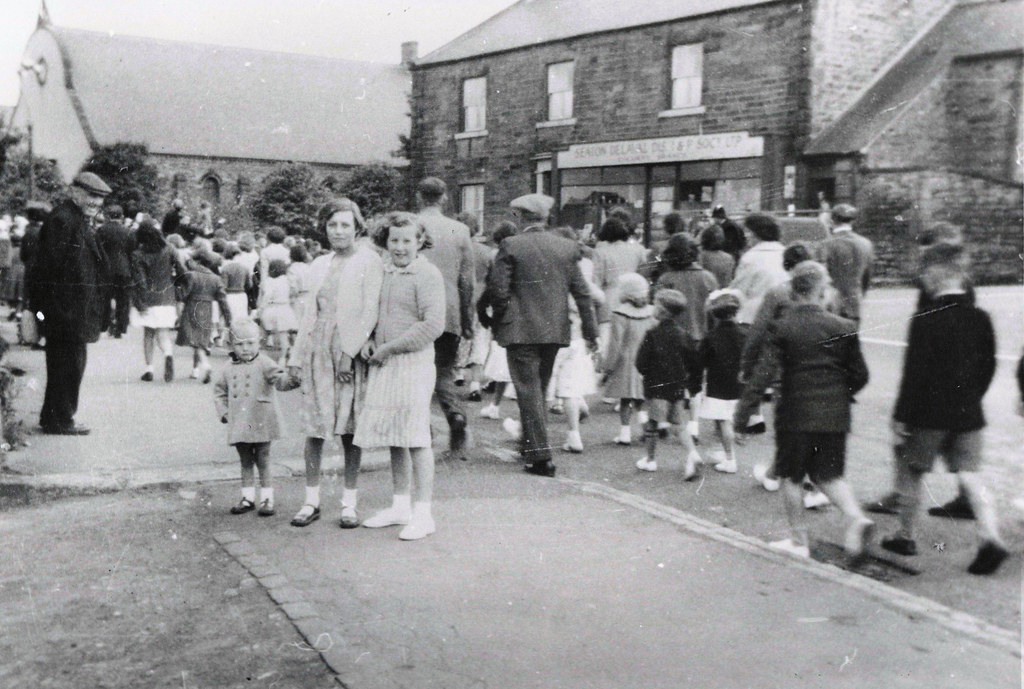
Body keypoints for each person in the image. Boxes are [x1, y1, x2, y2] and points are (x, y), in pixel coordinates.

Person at [879, 243, 1007, 575]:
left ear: (936, 275)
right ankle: (990, 536)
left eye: (926, 274)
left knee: (909, 470)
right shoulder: (980, 317)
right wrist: (971, 398)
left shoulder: (924, 320)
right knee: (970, 476)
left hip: (927, 414)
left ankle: (904, 536)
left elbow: (914, 373)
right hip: (967, 412)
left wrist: (900, 416)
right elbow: (988, 366)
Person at [734, 261, 874, 560]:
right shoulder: (844, 327)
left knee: (791, 476)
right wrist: (838, 394)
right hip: (836, 414)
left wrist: (742, 418)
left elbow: (762, 374)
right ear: (822, 291)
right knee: (829, 475)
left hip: (795, 413)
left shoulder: (782, 327)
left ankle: (798, 542)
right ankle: (856, 517)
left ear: (792, 291)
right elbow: (860, 376)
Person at [486, 193, 598, 477]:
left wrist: (499, 321)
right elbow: (582, 294)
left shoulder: (510, 245)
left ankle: (540, 456)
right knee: (538, 389)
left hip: (520, 330)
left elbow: (499, 291)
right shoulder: (567, 247)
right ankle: (531, 445)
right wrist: (590, 331)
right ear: (546, 217)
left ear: (521, 217)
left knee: (528, 391)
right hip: (554, 329)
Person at [287, 198, 383, 528]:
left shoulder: (370, 261)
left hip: (349, 352)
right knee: (315, 428)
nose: (338, 231)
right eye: (332, 225)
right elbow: (308, 316)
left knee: (349, 430)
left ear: (357, 227)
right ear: (324, 228)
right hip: (318, 349)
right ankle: (311, 501)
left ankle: (349, 503)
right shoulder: (318, 264)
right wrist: (296, 358)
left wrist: (349, 350)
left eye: (345, 224)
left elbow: (370, 311)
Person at [355, 212, 446, 540]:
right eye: (394, 240)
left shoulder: (427, 274)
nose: (400, 247)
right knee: (396, 435)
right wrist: (369, 339)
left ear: (420, 242)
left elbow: (433, 325)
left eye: (408, 240)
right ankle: (400, 505)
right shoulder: (385, 271)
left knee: (417, 437)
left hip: (413, 363)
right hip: (386, 361)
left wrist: (389, 348)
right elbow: (374, 314)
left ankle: (424, 514)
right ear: (385, 240)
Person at [28, 172, 111, 435]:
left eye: (100, 199)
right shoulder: (64, 220)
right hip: (66, 313)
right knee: (68, 366)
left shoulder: (74, 219)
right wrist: (51, 311)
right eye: (91, 196)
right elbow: (48, 269)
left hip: (72, 312)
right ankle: (60, 420)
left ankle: (54, 417)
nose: (95, 203)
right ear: (74, 191)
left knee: (67, 365)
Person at [739, 242, 814, 492]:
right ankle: (796, 477)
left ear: (787, 265)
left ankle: (777, 475)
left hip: (785, 369)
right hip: (820, 370)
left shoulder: (778, 294)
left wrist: (747, 366)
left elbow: (758, 333)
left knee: (787, 425)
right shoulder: (826, 292)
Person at [416, 178, 475, 460]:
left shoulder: (408, 226)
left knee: (415, 373)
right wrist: (467, 318)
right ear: (444, 198)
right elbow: (467, 280)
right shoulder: (460, 230)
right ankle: (455, 415)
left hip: (414, 312)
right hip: (449, 311)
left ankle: (421, 430)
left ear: (419, 197)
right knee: (445, 371)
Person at [214, 319, 297, 517]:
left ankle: (267, 499)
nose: (245, 348)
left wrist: (292, 380)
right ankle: (247, 498)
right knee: (245, 460)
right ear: (231, 345)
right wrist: (224, 412)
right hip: (240, 422)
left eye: (250, 343)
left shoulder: (265, 362)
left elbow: (280, 379)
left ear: (259, 342)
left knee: (263, 458)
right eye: (240, 344)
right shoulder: (227, 368)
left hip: (261, 419)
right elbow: (219, 392)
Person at [634, 289, 703, 476]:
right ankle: (693, 453)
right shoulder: (684, 335)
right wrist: (692, 385)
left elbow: (640, 362)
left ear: (662, 311)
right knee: (679, 424)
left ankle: (650, 459)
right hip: (677, 386)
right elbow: (694, 362)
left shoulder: (652, 334)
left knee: (653, 424)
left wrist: (646, 373)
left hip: (657, 386)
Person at [730, 213, 788, 435]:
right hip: (782, 316)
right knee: (778, 366)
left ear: (756, 233)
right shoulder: (784, 252)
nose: (746, 236)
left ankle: (754, 416)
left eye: (748, 232)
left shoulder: (750, 258)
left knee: (751, 366)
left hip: (753, 314)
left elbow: (739, 288)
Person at [602, 273, 655, 446]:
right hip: (646, 361)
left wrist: (607, 366)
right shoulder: (651, 313)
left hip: (626, 361)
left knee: (625, 399)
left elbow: (615, 344)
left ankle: (625, 433)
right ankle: (646, 428)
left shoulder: (619, 314)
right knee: (641, 399)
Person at [130, 219, 186, 382]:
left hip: (148, 299)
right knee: (163, 334)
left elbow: (140, 281)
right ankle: (168, 354)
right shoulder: (170, 249)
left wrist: (139, 301)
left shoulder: (138, 254)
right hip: (167, 297)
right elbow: (182, 271)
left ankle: (149, 369)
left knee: (148, 334)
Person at [699, 289, 747, 474]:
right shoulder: (744, 333)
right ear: (736, 312)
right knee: (729, 418)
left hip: (718, 383)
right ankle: (725, 452)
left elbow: (701, 361)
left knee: (723, 421)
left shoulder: (711, 337)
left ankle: (729, 458)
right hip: (739, 383)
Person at [476, 222, 519, 421]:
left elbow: (493, 287)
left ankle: (495, 405)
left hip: (506, 318)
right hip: (524, 316)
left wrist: (486, 313)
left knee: (503, 363)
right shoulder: (524, 253)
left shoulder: (500, 256)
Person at [592, 216, 647, 354]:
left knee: (608, 347)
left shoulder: (600, 252)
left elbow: (596, 282)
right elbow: (644, 275)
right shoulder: (639, 250)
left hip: (609, 302)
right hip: (635, 301)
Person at [176, 249, 231, 384]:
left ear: (197, 261)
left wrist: (177, 290)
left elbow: (183, 295)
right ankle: (196, 369)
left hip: (192, 308)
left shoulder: (191, 275)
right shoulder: (216, 278)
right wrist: (228, 318)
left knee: (195, 341)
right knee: (200, 340)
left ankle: (205, 366)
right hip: (207, 310)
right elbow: (223, 300)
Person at [463, 216, 500, 402]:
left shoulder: (456, 250)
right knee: (480, 341)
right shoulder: (488, 253)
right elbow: (494, 282)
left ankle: (454, 375)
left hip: (458, 301)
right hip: (480, 301)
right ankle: (475, 384)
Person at [818, 204, 873, 322]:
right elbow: (867, 278)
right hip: (854, 304)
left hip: (832, 305)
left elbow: (820, 277)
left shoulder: (826, 244)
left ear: (832, 220)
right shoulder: (866, 243)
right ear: (852, 221)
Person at [96, 205, 134, 338]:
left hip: (106, 270)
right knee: (123, 299)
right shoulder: (128, 232)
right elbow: (131, 252)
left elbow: (98, 250)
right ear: (122, 216)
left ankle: (104, 325)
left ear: (108, 216)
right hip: (124, 270)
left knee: (105, 298)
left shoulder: (101, 230)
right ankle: (120, 328)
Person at [258, 259, 298, 359]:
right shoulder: (287, 280)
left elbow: (267, 296)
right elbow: (294, 292)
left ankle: (263, 351)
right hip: (285, 307)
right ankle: (285, 356)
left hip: (272, 308)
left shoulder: (269, 281)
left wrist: (261, 308)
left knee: (264, 329)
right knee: (284, 333)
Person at [220, 243, 251, 324]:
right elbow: (249, 285)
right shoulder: (245, 268)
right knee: (241, 321)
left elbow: (223, 286)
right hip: (242, 295)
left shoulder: (225, 269)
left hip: (230, 296)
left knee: (230, 320)